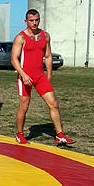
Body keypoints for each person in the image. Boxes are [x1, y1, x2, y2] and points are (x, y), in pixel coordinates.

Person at [11, 9, 76, 145]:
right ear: (26, 21)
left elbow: (48, 55)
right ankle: (19, 134)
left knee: (54, 104)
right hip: (24, 77)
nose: (34, 23)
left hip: (40, 76)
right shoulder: (20, 37)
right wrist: (23, 75)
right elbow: (14, 59)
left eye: (37, 20)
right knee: (24, 106)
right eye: (31, 20)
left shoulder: (45, 36)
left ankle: (60, 135)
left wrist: (50, 73)